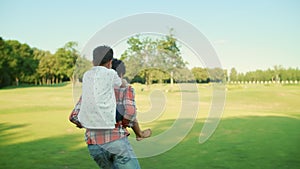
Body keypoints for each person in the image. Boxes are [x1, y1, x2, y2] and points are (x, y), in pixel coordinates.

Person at [69, 46, 150, 169]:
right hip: (116, 141)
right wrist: (123, 123)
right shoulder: (124, 88)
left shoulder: (90, 88)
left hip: (94, 145)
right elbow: (130, 112)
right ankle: (140, 134)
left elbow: (74, 116)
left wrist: (88, 122)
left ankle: (140, 134)